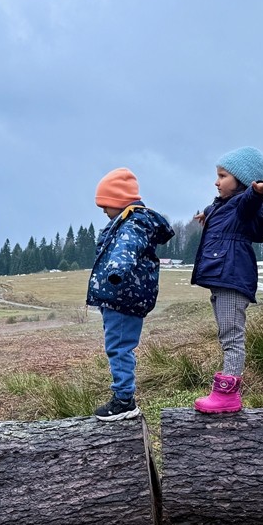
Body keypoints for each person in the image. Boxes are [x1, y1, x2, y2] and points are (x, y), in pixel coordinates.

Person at [190, 147, 263, 413]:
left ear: (241, 181)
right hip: (223, 278)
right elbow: (218, 208)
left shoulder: (243, 204)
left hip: (232, 278)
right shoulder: (222, 205)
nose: (216, 182)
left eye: (222, 176)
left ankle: (227, 395)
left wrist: (258, 190)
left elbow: (248, 201)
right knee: (226, 334)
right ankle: (225, 392)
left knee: (232, 338)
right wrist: (206, 214)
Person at [87, 167, 174, 421]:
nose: (103, 210)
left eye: (106, 204)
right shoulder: (127, 221)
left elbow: (126, 249)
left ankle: (124, 399)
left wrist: (116, 271)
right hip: (119, 297)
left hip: (124, 297)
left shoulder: (133, 223)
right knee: (117, 346)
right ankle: (123, 396)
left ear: (120, 201)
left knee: (119, 347)